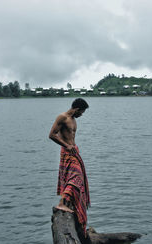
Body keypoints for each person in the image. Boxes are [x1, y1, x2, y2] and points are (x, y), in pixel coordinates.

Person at [49, 98, 90, 234]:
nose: (81, 115)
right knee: (75, 178)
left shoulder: (74, 120)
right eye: (81, 112)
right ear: (76, 109)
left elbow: (72, 137)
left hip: (73, 151)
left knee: (77, 179)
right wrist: (66, 145)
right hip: (67, 152)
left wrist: (73, 147)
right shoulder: (62, 117)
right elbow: (51, 135)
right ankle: (62, 203)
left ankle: (68, 202)